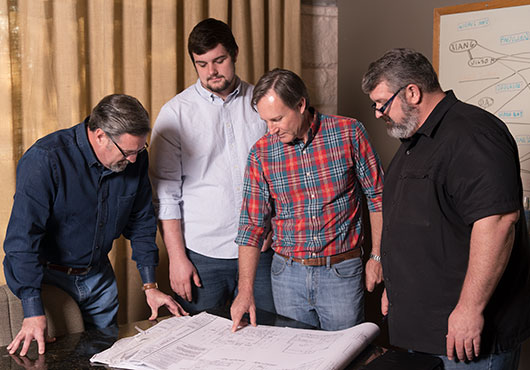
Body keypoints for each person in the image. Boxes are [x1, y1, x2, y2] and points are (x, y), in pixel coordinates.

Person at [361, 48, 530, 369]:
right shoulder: (415, 143)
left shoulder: (473, 133)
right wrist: (396, 291)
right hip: (421, 329)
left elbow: (497, 222)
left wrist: (469, 309)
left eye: (382, 103)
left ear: (412, 92)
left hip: (463, 334)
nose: (379, 113)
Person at [3, 94, 187, 357]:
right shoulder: (46, 160)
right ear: (100, 135)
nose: (134, 160)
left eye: (139, 150)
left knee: (106, 359)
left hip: (100, 280)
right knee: (54, 361)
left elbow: (142, 220)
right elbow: (22, 240)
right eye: (128, 152)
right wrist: (33, 309)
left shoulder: (134, 158)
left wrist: (150, 285)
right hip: (48, 284)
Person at [230, 68, 384, 332]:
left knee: (346, 355)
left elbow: (378, 197)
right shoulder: (261, 153)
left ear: (301, 104)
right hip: (287, 276)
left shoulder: (349, 133)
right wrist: (245, 292)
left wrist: (378, 257)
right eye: (265, 121)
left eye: (277, 119)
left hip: (341, 273)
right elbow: (251, 226)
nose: (271, 130)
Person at [148, 18, 275, 315]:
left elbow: (282, 174)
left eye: (219, 60)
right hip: (202, 256)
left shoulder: (264, 105)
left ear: (234, 54)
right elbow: (166, 196)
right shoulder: (175, 114)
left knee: (269, 340)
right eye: (202, 64)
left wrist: (276, 226)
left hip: (262, 250)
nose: (212, 71)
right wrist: (177, 258)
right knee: (201, 348)